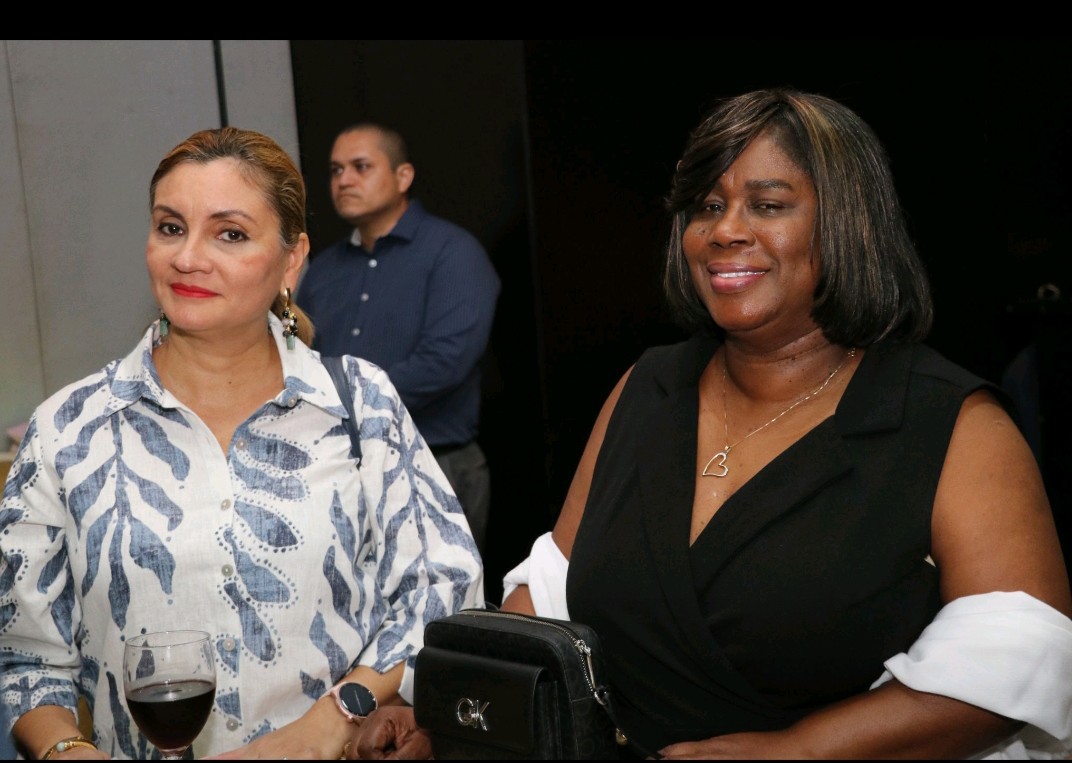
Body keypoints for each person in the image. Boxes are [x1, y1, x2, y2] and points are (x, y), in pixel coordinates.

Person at [351, 88, 1072, 760]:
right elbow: (549, 593)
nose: (725, 230)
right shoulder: (649, 385)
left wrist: (799, 751)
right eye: (707, 206)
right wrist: (444, 708)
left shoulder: (949, 422)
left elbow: (1016, 657)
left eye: (768, 204)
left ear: (848, 222)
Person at [0, 126, 484, 760]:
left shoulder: (358, 405)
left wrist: (335, 718)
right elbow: (26, 657)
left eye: (229, 234)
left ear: (291, 259)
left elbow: (443, 589)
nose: (188, 257)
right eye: (171, 227)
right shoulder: (69, 429)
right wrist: (67, 750)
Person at [295, 122, 501, 558]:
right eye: (335, 170)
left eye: (360, 167)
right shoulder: (324, 269)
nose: (344, 180)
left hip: (434, 463)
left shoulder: (452, 251)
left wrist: (345, 403)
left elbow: (445, 362)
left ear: (403, 176)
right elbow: (299, 359)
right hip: (338, 465)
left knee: (441, 600)